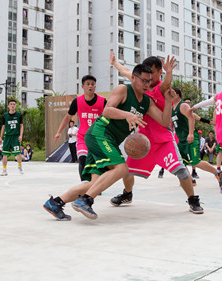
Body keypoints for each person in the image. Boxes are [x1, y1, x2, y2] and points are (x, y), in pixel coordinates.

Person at [44, 64, 173, 221]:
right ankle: (85, 201)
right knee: (122, 168)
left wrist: (168, 101)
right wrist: (127, 115)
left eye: (149, 81)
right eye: (144, 80)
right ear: (133, 78)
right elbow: (107, 110)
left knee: (94, 184)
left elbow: (164, 121)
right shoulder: (123, 90)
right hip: (100, 134)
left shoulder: (147, 101)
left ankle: (55, 203)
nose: (147, 84)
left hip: (108, 141)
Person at [108, 54, 204, 215]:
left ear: (160, 72)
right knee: (126, 170)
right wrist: (115, 63)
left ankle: (192, 199)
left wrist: (169, 72)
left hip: (163, 139)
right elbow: (126, 72)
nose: (149, 77)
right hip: (143, 139)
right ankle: (127, 194)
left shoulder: (162, 88)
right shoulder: (140, 84)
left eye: (153, 72)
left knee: (181, 170)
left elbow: (167, 82)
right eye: (147, 73)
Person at [54, 75, 106, 180]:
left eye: (92, 84)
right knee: (82, 159)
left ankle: (95, 184)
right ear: (82, 86)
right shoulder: (77, 101)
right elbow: (67, 117)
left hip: (97, 138)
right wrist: (59, 132)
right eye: (88, 84)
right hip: (83, 137)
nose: (90, 86)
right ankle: (84, 184)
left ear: (95, 87)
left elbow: (111, 117)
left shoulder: (103, 101)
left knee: (98, 164)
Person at [170, 88, 222, 187]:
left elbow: (192, 118)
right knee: (179, 162)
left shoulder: (182, 105)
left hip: (190, 137)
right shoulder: (172, 108)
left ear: (177, 95)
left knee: (195, 162)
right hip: (182, 140)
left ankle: (218, 173)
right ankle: (189, 180)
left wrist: (190, 133)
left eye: (170, 93)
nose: (168, 94)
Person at [0, 99, 24, 176]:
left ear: (15, 106)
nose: (12, 105)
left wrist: (21, 135)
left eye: (14, 104)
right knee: (4, 154)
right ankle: (4, 170)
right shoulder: (5, 115)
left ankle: (20, 166)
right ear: (8, 106)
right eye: (11, 104)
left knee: (18, 153)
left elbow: (21, 126)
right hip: (7, 136)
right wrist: (0, 137)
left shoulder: (19, 115)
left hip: (15, 137)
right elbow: (3, 127)